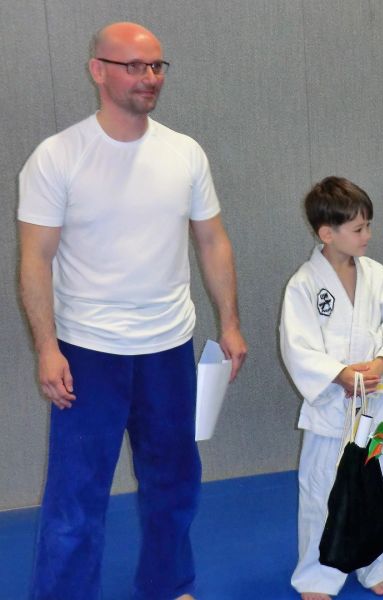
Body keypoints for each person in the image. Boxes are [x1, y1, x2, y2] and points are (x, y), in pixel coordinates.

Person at [18, 22, 247, 600]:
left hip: (168, 349)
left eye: (156, 66)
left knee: (175, 482)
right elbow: (35, 259)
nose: (149, 77)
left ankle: (168, 584)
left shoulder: (184, 153)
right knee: (76, 496)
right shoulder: (57, 158)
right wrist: (46, 347)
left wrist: (230, 322)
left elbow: (212, 240)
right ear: (98, 70)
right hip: (87, 353)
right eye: (134, 66)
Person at [280, 176, 383, 600]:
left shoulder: (376, 275)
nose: (367, 235)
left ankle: (375, 564)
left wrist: (381, 363)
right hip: (332, 407)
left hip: (376, 402)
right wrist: (339, 373)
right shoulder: (304, 284)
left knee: (382, 488)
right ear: (327, 233)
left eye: (367, 225)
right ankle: (317, 577)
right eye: (358, 228)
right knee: (321, 490)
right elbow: (297, 345)